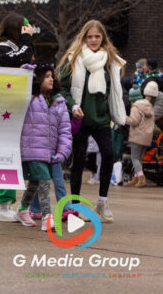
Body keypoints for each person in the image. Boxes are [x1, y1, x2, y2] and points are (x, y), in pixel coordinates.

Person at [58, 20, 126, 223]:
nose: (94, 40)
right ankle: (76, 207)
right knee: (78, 160)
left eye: (97, 36)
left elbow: (114, 91)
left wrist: (117, 113)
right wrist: (72, 106)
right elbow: (62, 88)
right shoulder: (73, 58)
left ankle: (102, 201)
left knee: (108, 154)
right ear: (84, 38)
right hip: (80, 117)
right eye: (90, 37)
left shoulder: (111, 60)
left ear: (103, 38)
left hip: (102, 118)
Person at [0, 13, 35, 222]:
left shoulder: (11, 47)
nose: (28, 31)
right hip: (2, 112)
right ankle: (3, 203)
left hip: (11, 111)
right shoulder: (1, 48)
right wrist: (27, 40)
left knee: (13, 155)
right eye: (25, 28)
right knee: (7, 155)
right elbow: (20, 59)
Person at [12, 61, 72, 231]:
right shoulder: (29, 98)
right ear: (37, 79)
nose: (51, 79)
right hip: (31, 149)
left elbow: (65, 131)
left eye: (52, 76)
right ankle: (47, 216)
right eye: (46, 76)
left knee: (35, 182)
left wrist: (62, 152)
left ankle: (22, 210)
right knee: (45, 180)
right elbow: (14, 94)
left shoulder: (59, 102)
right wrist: (23, 75)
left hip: (48, 152)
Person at [125, 82, 157, 188]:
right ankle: (136, 179)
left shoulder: (136, 107)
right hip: (147, 137)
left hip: (137, 136)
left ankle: (142, 179)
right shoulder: (149, 106)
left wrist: (124, 118)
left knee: (134, 158)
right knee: (139, 159)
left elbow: (134, 121)